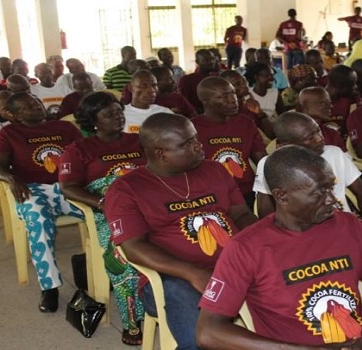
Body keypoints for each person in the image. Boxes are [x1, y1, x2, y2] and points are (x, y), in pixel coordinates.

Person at [197, 145, 362, 349]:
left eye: (330, 188)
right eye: (318, 193)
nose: (331, 200)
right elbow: (208, 331)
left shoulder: (348, 225)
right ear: (282, 196)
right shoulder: (246, 248)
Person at [104, 113, 258, 350]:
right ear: (160, 153)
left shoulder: (214, 170)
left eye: (195, 138)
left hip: (234, 266)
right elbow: (133, 248)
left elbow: (242, 215)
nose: (199, 146)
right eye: (187, 144)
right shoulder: (127, 189)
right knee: (197, 331)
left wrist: (267, 244)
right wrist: (192, 272)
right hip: (173, 279)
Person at [59, 91, 146, 346]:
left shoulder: (139, 141)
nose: (117, 116)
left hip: (146, 205)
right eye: (109, 114)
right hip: (106, 211)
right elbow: (68, 187)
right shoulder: (79, 149)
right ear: (93, 120)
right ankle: (132, 320)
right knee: (122, 253)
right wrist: (102, 203)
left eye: (119, 111)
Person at [0, 92, 83, 312]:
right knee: (38, 219)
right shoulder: (9, 132)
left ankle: (109, 272)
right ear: (14, 115)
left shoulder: (65, 128)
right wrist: (12, 178)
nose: (36, 107)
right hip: (32, 188)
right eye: (27, 107)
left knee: (105, 212)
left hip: (67, 186)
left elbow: (85, 154)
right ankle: (49, 287)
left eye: (36, 103)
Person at [254, 111, 362, 221]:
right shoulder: (270, 164)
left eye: (318, 131)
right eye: (310, 138)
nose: (320, 138)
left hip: (343, 224)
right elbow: (266, 214)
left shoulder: (334, 153)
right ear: (286, 145)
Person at [192, 76, 266, 207]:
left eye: (233, 94)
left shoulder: (245, 123)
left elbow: (261, 161)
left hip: (247, 191)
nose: (233, 100)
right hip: (211, 196)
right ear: (206, 102)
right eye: (224, 96)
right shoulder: (192, 128)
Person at [221, 69, 275, 140]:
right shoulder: (225, 112)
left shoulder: (249, 105)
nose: (244, 85)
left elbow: (272, 135)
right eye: (237, 84)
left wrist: (260, 113)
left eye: (244, 81)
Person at [296, 86, 345, 151]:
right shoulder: (291, 135)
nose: (330, 106)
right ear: (305, 106)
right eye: (323, 103)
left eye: (330, 103)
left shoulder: (332, 135)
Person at [178, 49, 219, 113]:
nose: (211, 62)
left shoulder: (218, 77)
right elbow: (183, 101)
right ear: (197, 61)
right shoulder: (187, 79)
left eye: (212, 59)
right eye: (206, 60)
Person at [325, 65, 358, 134]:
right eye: (352, 84)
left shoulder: (350, 100)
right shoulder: (314, 101)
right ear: (338, 85)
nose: (356, 87)